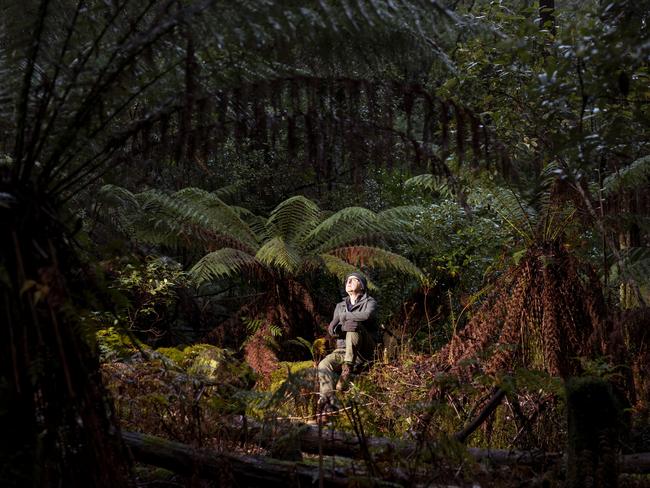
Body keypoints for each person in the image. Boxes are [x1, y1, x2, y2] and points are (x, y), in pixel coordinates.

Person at [317, 272, 378, 415]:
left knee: (354, 324)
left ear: (362, 286)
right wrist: (341, 326)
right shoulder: (340, 306)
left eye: (353, 280)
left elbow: (367, 315)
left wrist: (342, 317)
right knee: (323, 365)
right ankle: (328, 403)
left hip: (363, 350)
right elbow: (333, 330)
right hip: (343, 350)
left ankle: (347, 369)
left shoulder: (370, 302)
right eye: (347, 281)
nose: (349, 282)